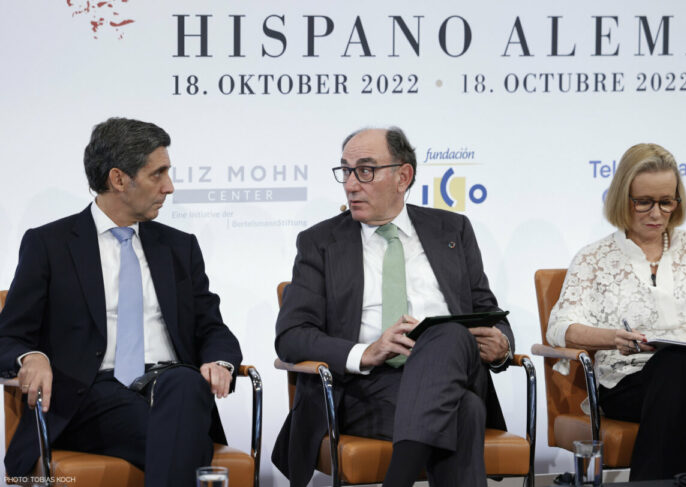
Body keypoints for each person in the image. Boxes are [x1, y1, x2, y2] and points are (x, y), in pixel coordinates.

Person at [0, 118, 242, 487]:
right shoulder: (49, 245)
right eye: (157, 174)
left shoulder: (179, 247)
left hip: (172, 387)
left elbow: (211, 327)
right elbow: (8, 336)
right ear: (118, 179)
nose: (169, 187)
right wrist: (32, 356)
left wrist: (220, 360)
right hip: (89, 396)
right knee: (183, 437)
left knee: (184, 385)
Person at [272, 127, 514, 487]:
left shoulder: (452, 229)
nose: (352, 184)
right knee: (465, 411)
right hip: (365, 391)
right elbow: (291, 336)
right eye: (346, 171)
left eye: (366, 170)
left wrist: (502, 346)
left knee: (446, 334)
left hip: (452, 372)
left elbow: (486, 310)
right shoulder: (320, 243)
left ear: (403, 176)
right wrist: (366, 352)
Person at [546, 143, 686, 480]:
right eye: (644, 202)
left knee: (682, 361)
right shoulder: (594, 258)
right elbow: (562, 327)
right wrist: (612, 338)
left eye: (666, 201)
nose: (657, 214)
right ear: (622, 199)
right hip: (628, 381)